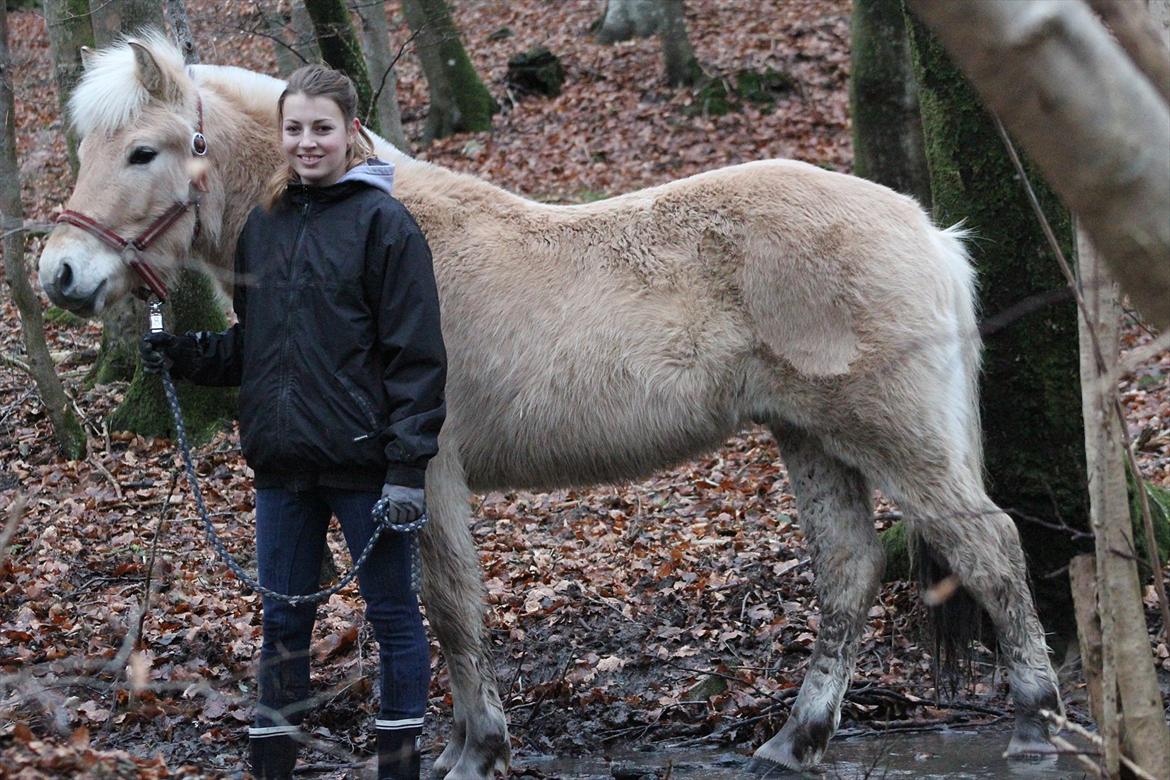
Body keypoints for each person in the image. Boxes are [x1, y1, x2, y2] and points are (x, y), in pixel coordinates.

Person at [141, 64, 446, 780]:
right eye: (295, 129)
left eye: (321, 129)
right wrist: (184, 355)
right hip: (281, 469)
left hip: (365, 467)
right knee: (283, 623)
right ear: (280, 136)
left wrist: (407, 470)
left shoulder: (386, 226)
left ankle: (399, 761)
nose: (307, 144)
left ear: (351, 134)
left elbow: (417, 358)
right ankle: (273, 764)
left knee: (394, 615)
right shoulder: (264, 229)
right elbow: (258, 346)